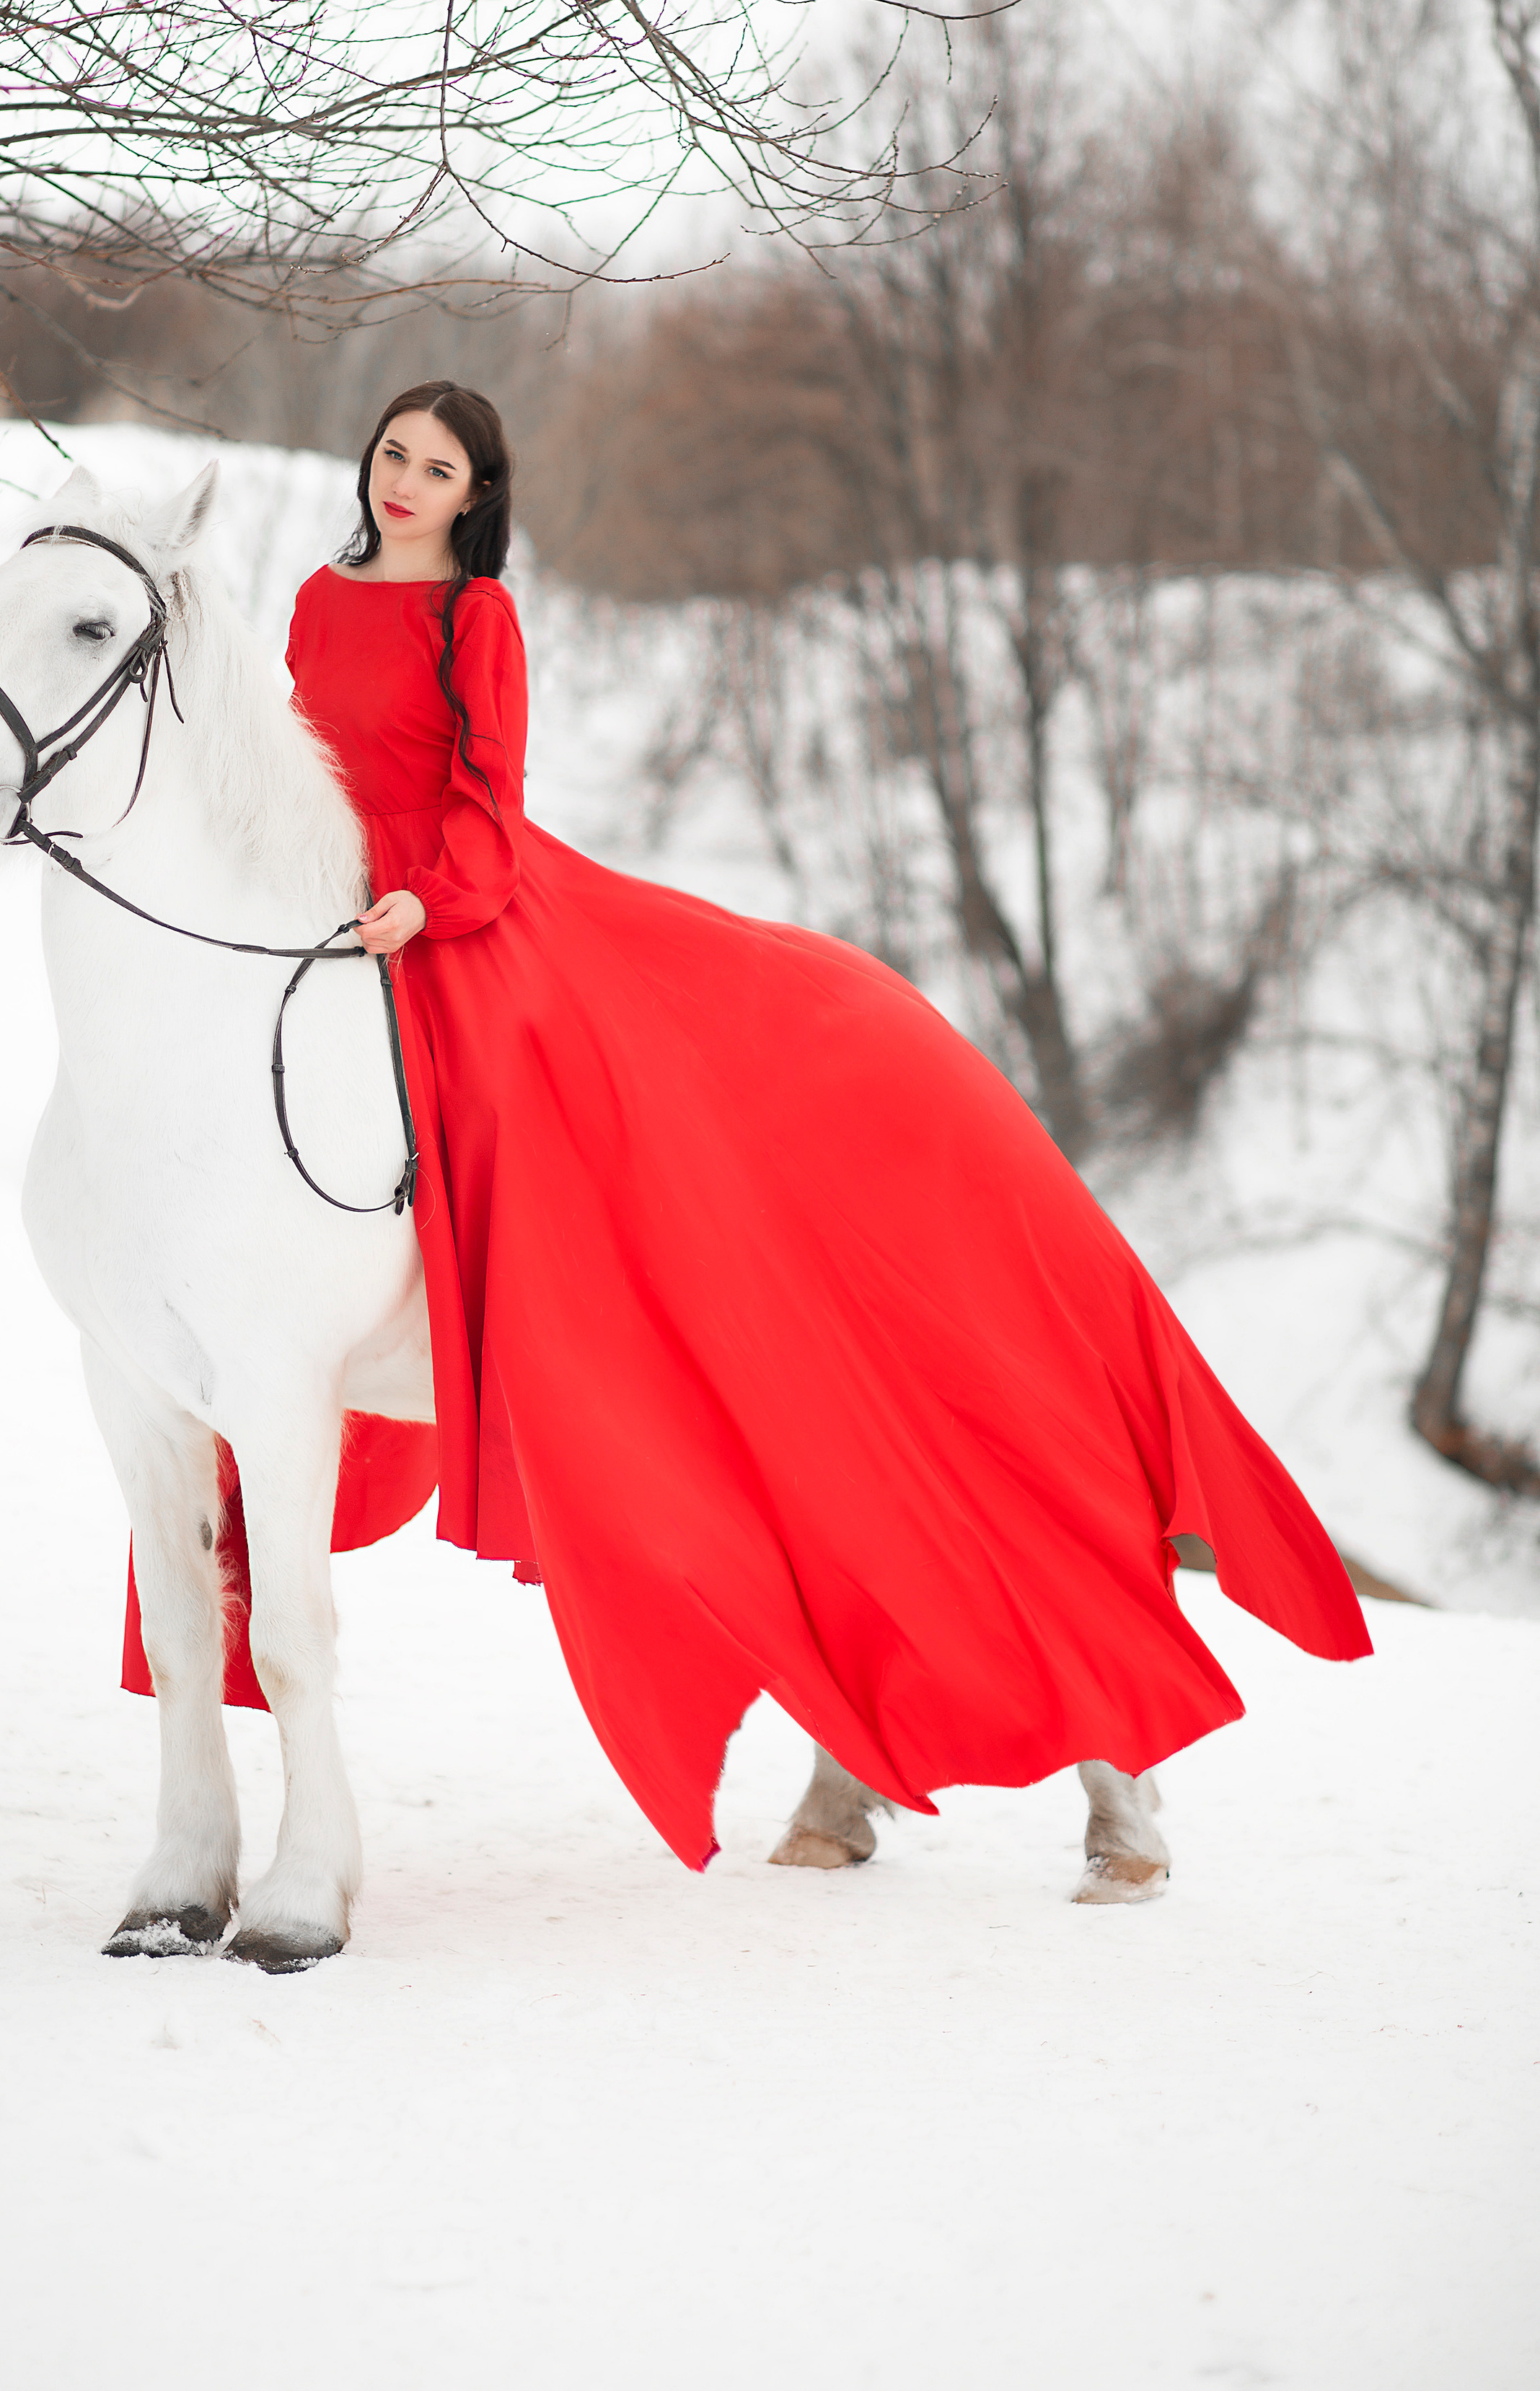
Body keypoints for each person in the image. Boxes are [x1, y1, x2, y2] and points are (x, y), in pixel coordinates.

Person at [132, 379, 1371, 1872]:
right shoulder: (321, 600)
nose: (403, 481)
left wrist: (425, 901)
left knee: (526, 1123)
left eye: (436, 468)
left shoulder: (478, 620)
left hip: (458, 918)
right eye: (393, 455)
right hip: (338, 911)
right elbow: (295, 775)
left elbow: (491, 810)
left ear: (476, 494)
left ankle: (550, 1324)